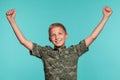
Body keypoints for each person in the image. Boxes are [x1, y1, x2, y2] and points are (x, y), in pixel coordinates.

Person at [6, 6, 112, 80]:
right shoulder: (44, 52)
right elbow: (23, 41)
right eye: (53, 35)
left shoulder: (75, 50)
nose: (57, 37)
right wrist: (12, 20)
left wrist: (105, 17)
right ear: (50, 39)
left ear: (66, 35)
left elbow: (93, 37)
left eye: (60, 33)